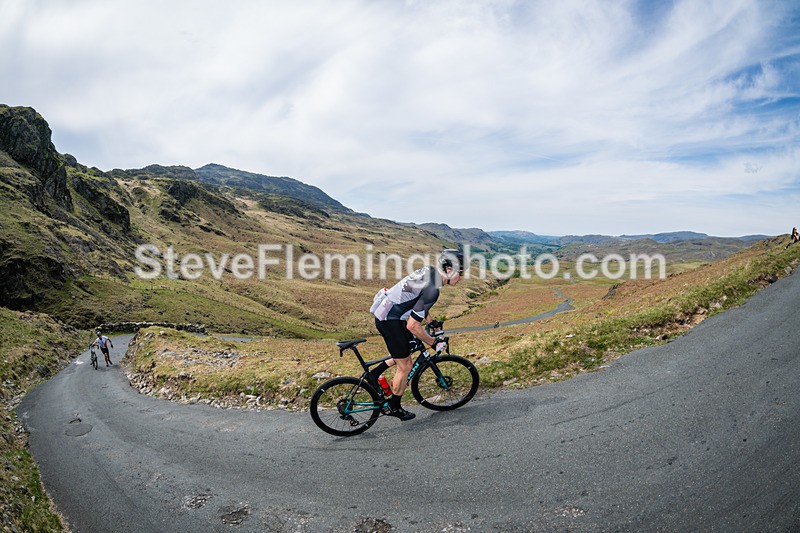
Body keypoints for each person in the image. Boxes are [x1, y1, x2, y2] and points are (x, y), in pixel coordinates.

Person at [368, 249, 465, 421]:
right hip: (390, 320)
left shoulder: (429, 271)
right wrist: (433, 342)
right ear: (449, 270)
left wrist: (431, 322)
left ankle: (375, 373)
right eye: (461, 273)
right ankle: (393, 406)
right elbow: (412, 326)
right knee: (405, 366)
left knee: (410, 348)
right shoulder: (433, 289)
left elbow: (418, 303)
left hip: (388, 313)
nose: (462, 278)